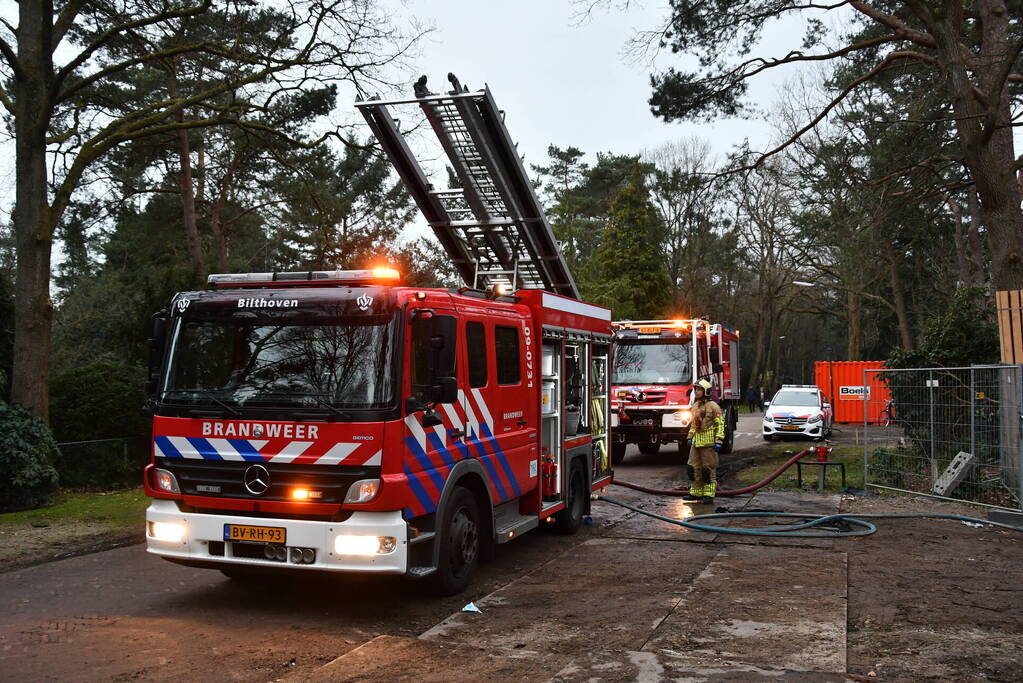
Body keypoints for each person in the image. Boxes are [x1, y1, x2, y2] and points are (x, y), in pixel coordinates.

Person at [685, 378, 725, 503]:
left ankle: (708, 494)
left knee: (707, 470)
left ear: (706, 391)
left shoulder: (714, 407)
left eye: (699, 390)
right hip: (696, 442)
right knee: (692, 467)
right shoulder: (695, 406)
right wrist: (690, 437)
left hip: (709, 444)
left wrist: (718, 441)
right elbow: (693, 424)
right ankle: (696, 492)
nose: (696, 392)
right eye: (695, 389)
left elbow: (720, 424)